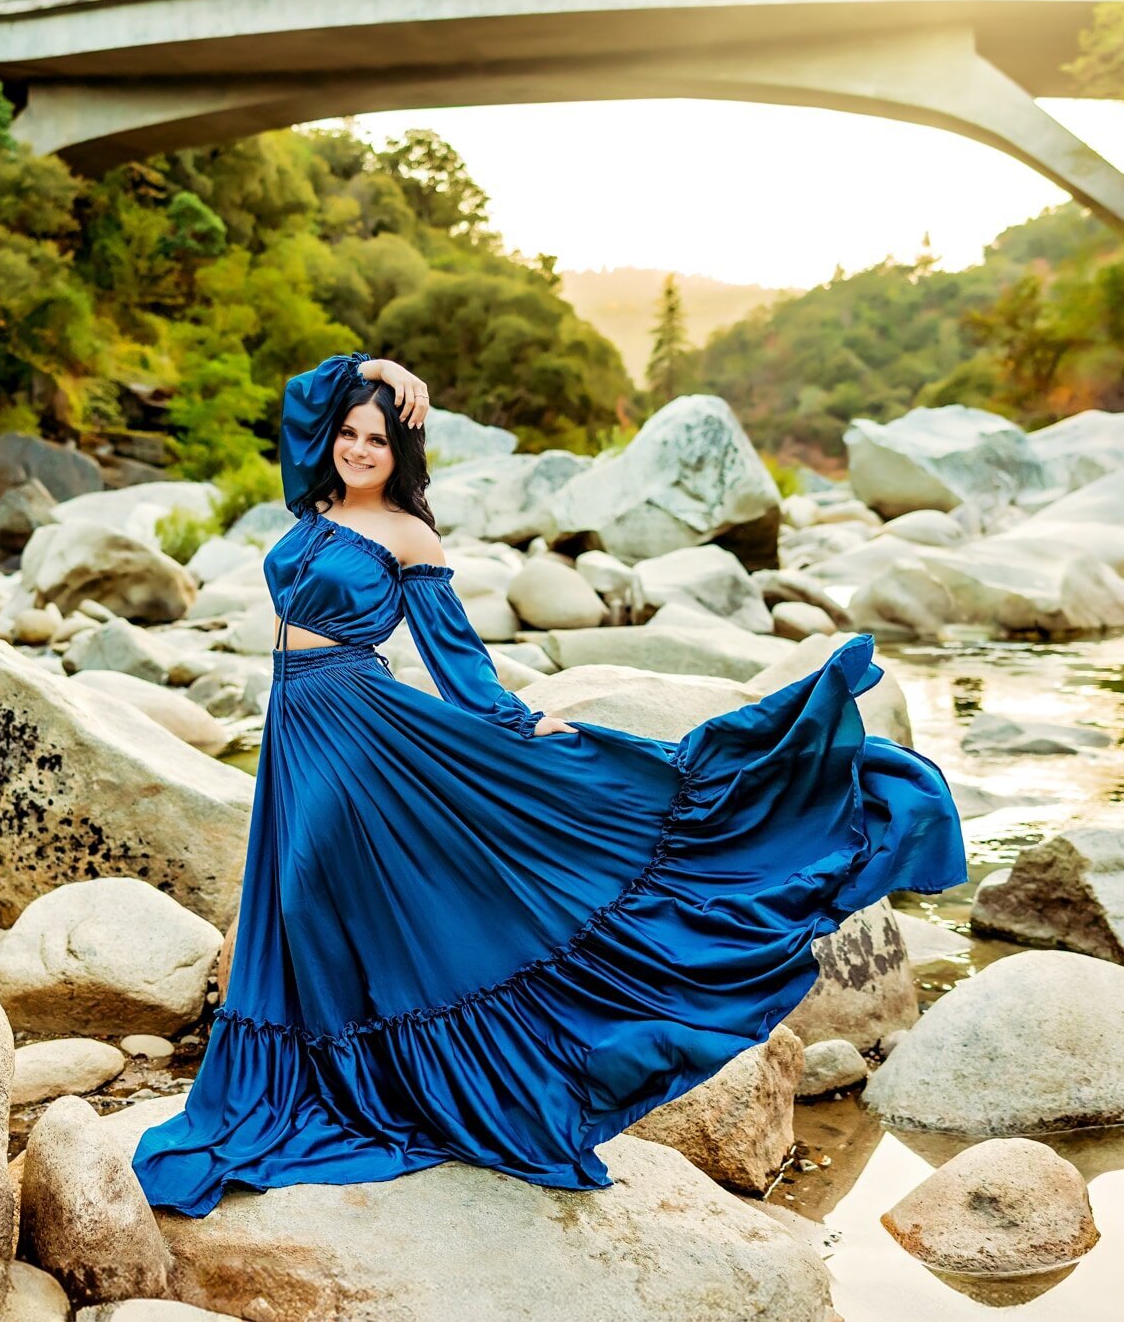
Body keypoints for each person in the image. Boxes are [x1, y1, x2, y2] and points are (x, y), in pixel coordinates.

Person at [130, 350, 965, 1217]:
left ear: (400, 450)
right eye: (348, 432)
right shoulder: (313, 502)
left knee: (315, 891)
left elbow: (458, 662)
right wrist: (371, 366)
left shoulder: (408, 535)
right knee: (302, 912)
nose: (357, 448)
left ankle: (392, 1089)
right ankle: (325, 1077)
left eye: (376, 437)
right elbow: (300, 404)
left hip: (360, 733)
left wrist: (524, 724)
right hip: (294, 725)